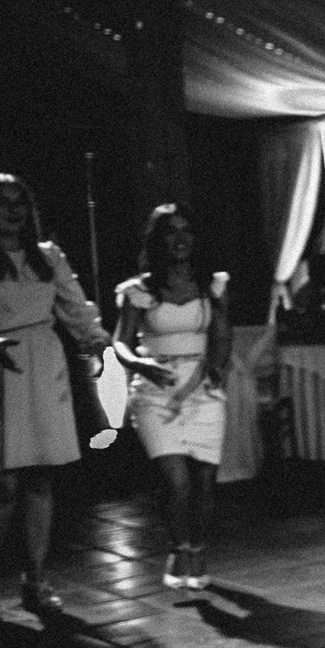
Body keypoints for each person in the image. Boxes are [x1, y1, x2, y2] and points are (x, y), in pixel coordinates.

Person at [0, 174, 110, 622]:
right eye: (2, 203)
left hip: (42, 366)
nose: (13, 210)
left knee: (40, 478)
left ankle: (35, 579)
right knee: (1, 483)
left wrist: (97, 341)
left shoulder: (49, 256)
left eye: (20, 202)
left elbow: (76, 308)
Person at [112, 204, 230, 591]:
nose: (180, 239)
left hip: (202, 388)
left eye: (186, 230)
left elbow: (222, 335)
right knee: (177, 482)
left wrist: (217, 366)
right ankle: (179, 547)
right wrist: (140, 365)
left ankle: (198, 548)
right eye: (170, 232)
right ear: (157, 240)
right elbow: (120, 344)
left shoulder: (212, 285)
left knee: (205, 483)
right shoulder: (139, 290)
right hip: (155, 390)